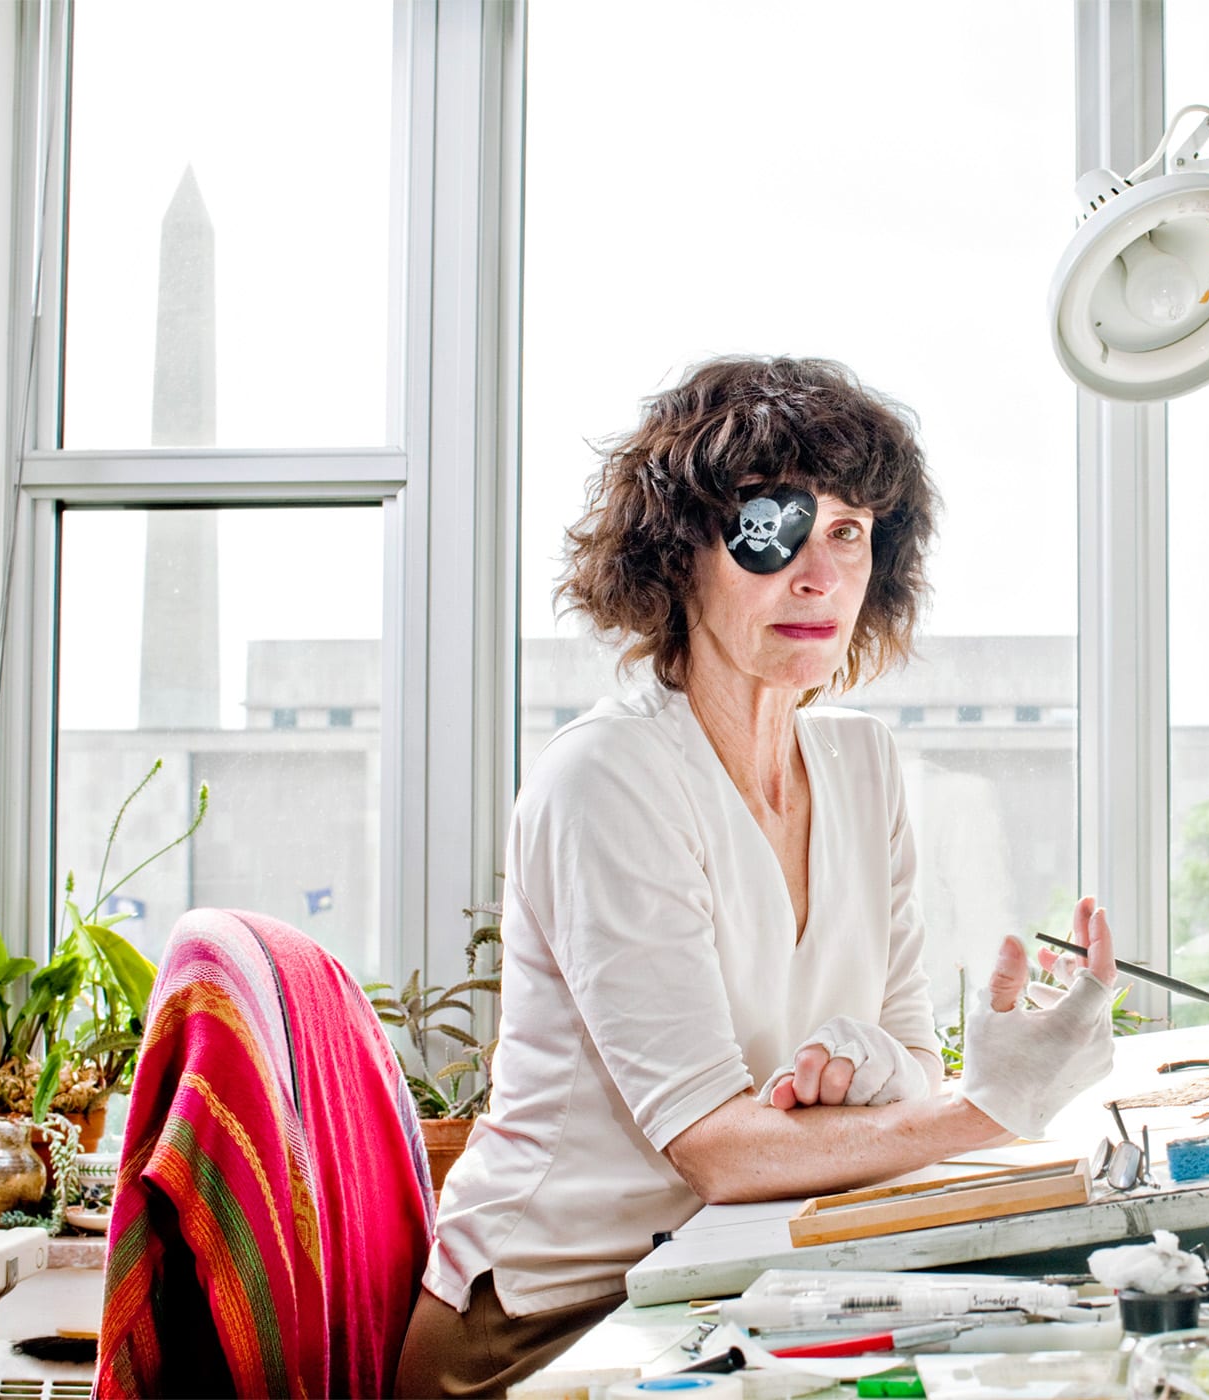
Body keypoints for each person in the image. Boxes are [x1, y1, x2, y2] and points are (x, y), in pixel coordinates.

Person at [393, 356, 1120, 1397]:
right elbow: (720, 1151)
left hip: (733, 1279)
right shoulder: (610, 778)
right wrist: (991, 1107)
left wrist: (869, 1068)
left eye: (847, 534)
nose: (817, 577)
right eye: (771, 529)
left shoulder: (861, 766)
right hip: (548, 1326)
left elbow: (910, 1052)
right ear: (677, 552)